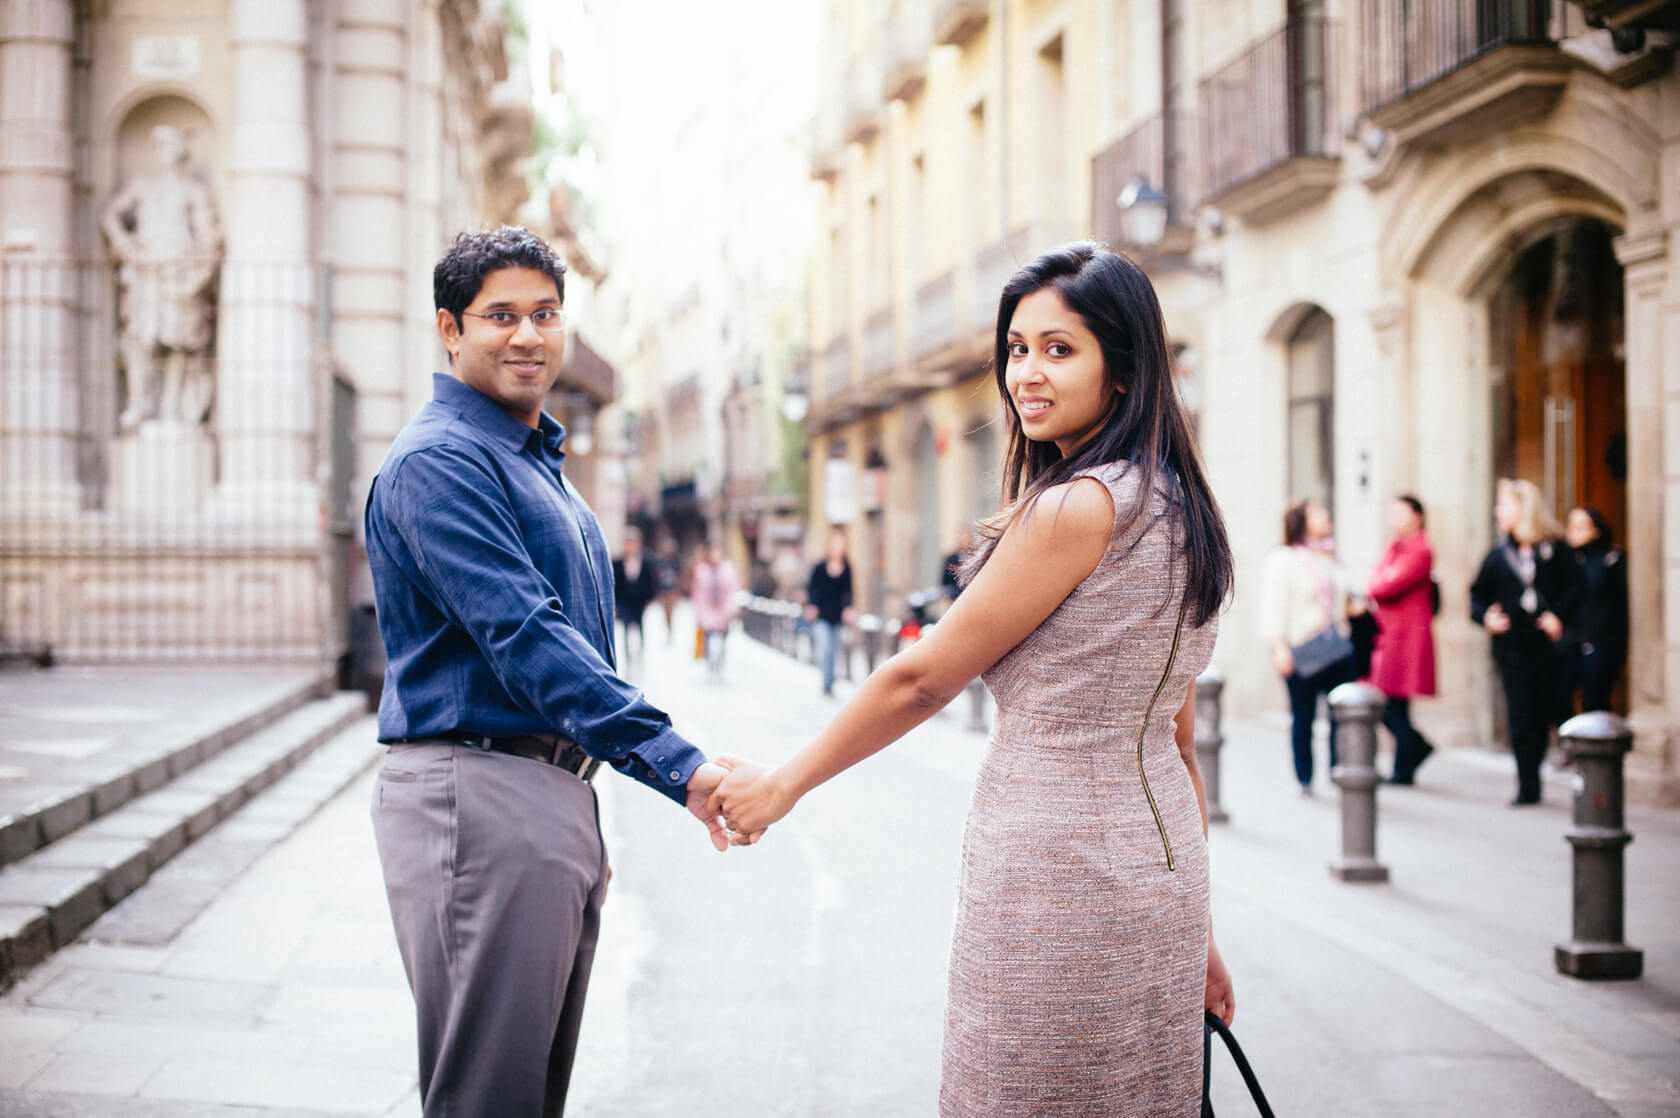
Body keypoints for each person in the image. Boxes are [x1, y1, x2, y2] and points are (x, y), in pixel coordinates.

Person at [711, 243, 1236, 1113]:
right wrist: (1200, 932)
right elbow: (1177, 742)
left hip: (1057, 873)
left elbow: (921, 679)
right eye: (1018, 349)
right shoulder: (1182, 508)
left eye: (1060, 349)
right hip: (1160, 877)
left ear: (1124, 367)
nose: (1027, 373)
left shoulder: (1079, 506)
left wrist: (783, 785)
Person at [362, 227, 743, 1118]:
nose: (528, 335)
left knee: (528, 1098)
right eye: (501, 316)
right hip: (479, 792)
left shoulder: (532, 461)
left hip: (540, 798)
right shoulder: (441, 463)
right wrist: (681, 767)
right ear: (450, 329)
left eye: (545, 314)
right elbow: (527, 638)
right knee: (487, 1099)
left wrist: (584, 805)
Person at [101, 124, 223, 430]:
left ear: (181, 151)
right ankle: (139, 404)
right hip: (147, 272)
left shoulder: (192, 191)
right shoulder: (143, 185)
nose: (165, 152)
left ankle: (172, 410)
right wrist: (125, 244)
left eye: (171, 145)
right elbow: (111, 217)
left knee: (179, 343)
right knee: (142, 339)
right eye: (161, 146)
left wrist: (201, 271)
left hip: (180, 273)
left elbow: (208, 235)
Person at [1470, 478, 1582, 805]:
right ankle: (1527, 785)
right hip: (1511, 648)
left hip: (1547, 647)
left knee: (1545, 709)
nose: (1497, 511)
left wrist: (1558, 616)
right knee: (1519, 715)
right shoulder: (1499, 553)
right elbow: (1476, 596)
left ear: (1524, 508)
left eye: (1504, 505)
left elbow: (1576, 590)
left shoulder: (1556, 550)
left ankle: (1558, 763)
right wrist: (1486, 618)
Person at [1258, 498, 1359, 794]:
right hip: (1300, 650)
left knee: (1343, 715)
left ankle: (1340, 771)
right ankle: (1305, 777)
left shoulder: (1329, 556)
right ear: (1301, 520)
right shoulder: (1283, 559)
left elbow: (1341, 600)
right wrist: (1279, 648)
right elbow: (1272, 607)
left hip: (1336, 648)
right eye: (1318, 512)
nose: (1327, 515)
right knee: (1303, 717)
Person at [1367, 495, 1438, 784]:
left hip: (1407, 636)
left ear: (1417, 516)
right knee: (1389, 702)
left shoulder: (1420, 549)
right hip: (1391, 633)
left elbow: (1384, 585)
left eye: (1401, 512)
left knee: (1393, 702)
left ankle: (1407, 762)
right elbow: (1376, 582)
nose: (1394, 518)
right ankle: (1412, 753)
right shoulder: (1395, 546)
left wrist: (1378, 581)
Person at [1562, 505, 1628, 715]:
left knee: (1595, 699)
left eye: (1582, 526)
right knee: (1558, 691)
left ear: (1596, 530)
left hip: (1602, 641)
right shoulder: (1564, 561)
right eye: (1571, 526)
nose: (1575, 532)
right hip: (1571, 640)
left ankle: (1597, 746)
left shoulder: (1612, 560)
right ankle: (1572, 742)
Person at [805, 526, 855, 696]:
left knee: (835, 650)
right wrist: (812, 606)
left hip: (837, 616)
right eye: (835, 543)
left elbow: (849, 592)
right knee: (825, 648)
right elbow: (812, 588)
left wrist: (849, 608)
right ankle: (826, 682)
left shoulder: (847, 567)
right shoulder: (820, 567)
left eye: (841, 543)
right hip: (822, 615)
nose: (838, 547)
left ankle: (831, 681)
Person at [690, 541, 742, 678]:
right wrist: (700, 612)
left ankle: (720, 665)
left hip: (724, 612)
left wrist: (732, 609)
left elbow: (733, 589)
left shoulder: (728, 569)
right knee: (708, 639)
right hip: (708, 612)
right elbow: (698, 592)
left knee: (723, 640)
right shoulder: (702, 570)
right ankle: (710, 666)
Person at [611, 526, 658, 665]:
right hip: (624, 600)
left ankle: (641, 654)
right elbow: (615, 582)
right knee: (625, 628)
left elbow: (651, 581)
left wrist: (650, 598)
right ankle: (628, 657)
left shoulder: (646, 562)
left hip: (639, 601)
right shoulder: (618, 563)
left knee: (640, 627)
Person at [652, 537, 682, 643]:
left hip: (672, 591)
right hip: (664, 591)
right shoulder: (661, 562)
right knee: (665, 613)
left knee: (671, 613)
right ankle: (667, 630)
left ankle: (670, 631)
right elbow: (657, 577)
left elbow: (679, 577)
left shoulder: (676, 562)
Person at [941, 524, 974, 601]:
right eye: (962, 534)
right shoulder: (950, 559)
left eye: (966, 534)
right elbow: (944, 584)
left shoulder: (976, 556)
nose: (964, 537)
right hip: (955, 600)